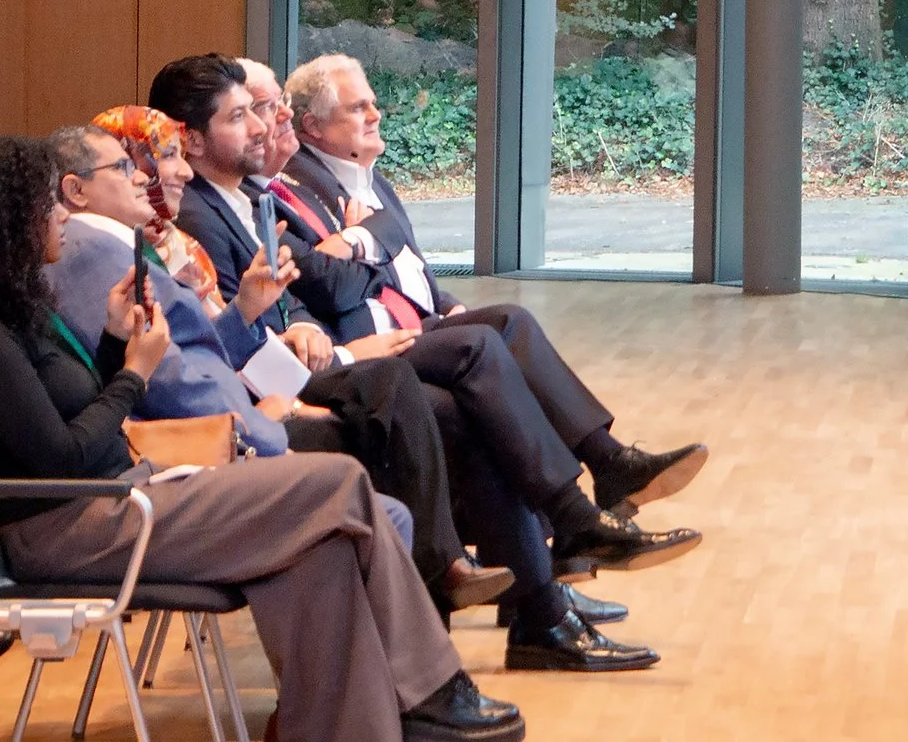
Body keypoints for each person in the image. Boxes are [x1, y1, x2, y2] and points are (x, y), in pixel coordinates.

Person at [0, 135, 524, 742]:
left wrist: (113, 343)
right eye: (43, 203)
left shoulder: (16, 309)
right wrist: (134, 373)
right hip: (73, 528)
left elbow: (70, 410)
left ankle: (352, 727)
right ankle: (433, 691)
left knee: (325, 545)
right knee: (339, 482)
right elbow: (62, 456)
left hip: (118, 497)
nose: (58, 214)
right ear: (0, 221)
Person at [160, 56, 670, 670]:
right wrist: (340, 346)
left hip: (322, 362)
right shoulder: (200, 214)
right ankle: (550, 553)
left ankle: (537, 605)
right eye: (242, 116)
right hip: (279, 401)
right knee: (477, 357)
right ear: (190, 139)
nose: (266, 126)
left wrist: (316, 308)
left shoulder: (245, 198)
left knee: (472, 391)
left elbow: (306, 292)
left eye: (260, 110)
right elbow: (233, 339)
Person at [44, 121, 521, 619]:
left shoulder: (124, 244)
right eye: (127, 166)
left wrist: (245, 309)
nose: (146, 176)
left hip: (242, 405)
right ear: (76, 191)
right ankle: (451, 603)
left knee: (431, 394)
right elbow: (165, 382)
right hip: (212, 440)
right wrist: (262, 423)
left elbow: (188, 355)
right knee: (426, 410)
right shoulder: (94, 251)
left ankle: (456, 597)